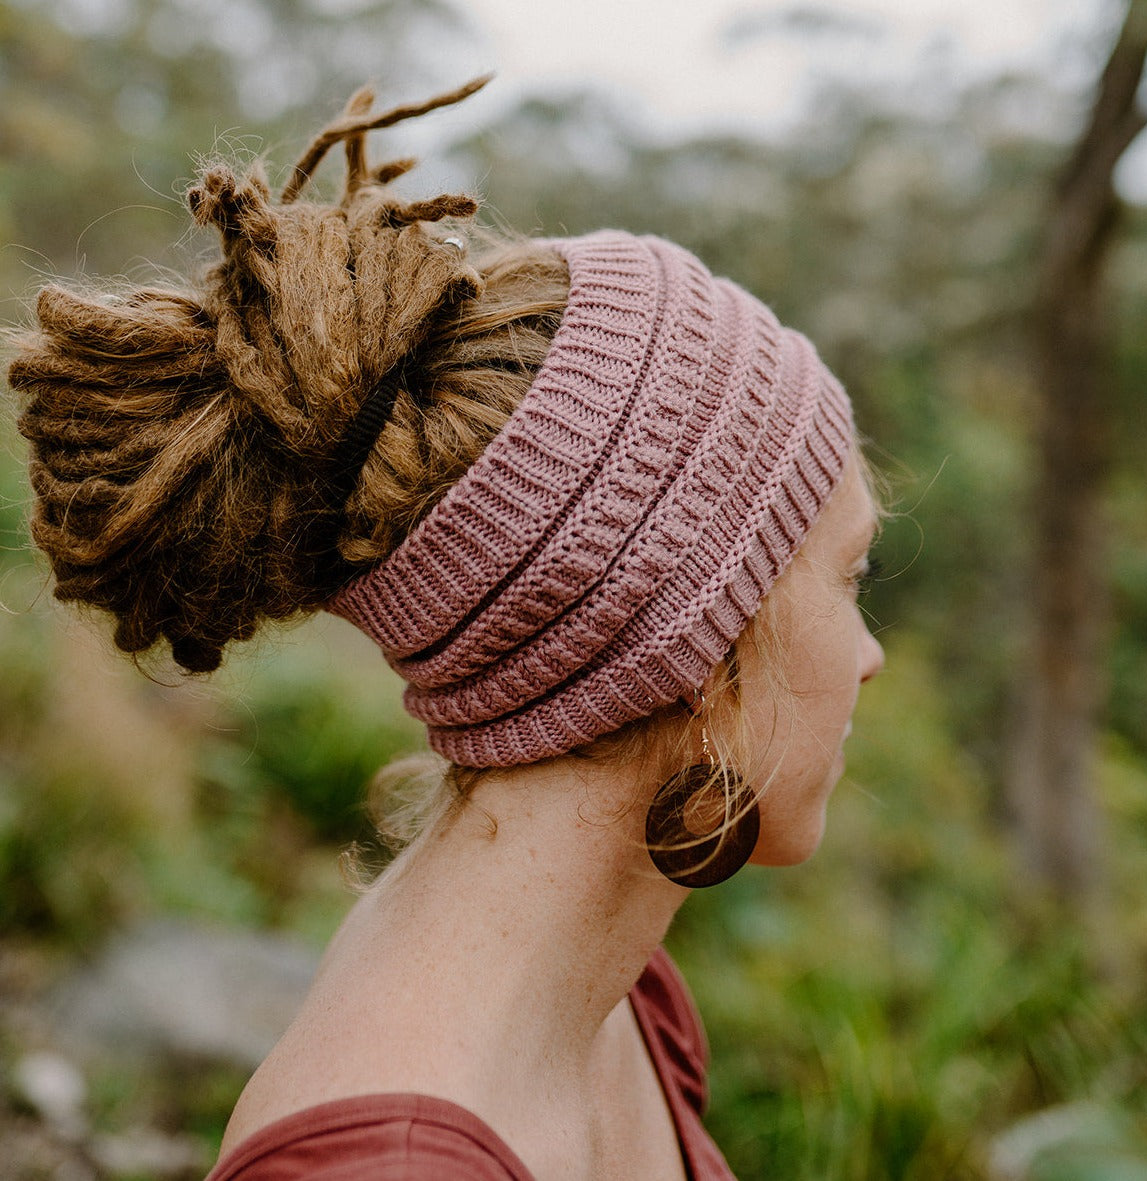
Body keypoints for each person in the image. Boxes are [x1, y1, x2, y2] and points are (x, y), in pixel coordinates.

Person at [10, 77, 884, 1181]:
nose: (868, 656)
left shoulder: (616, 997)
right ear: (702, 643)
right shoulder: (393, 1165)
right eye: (849, 577)